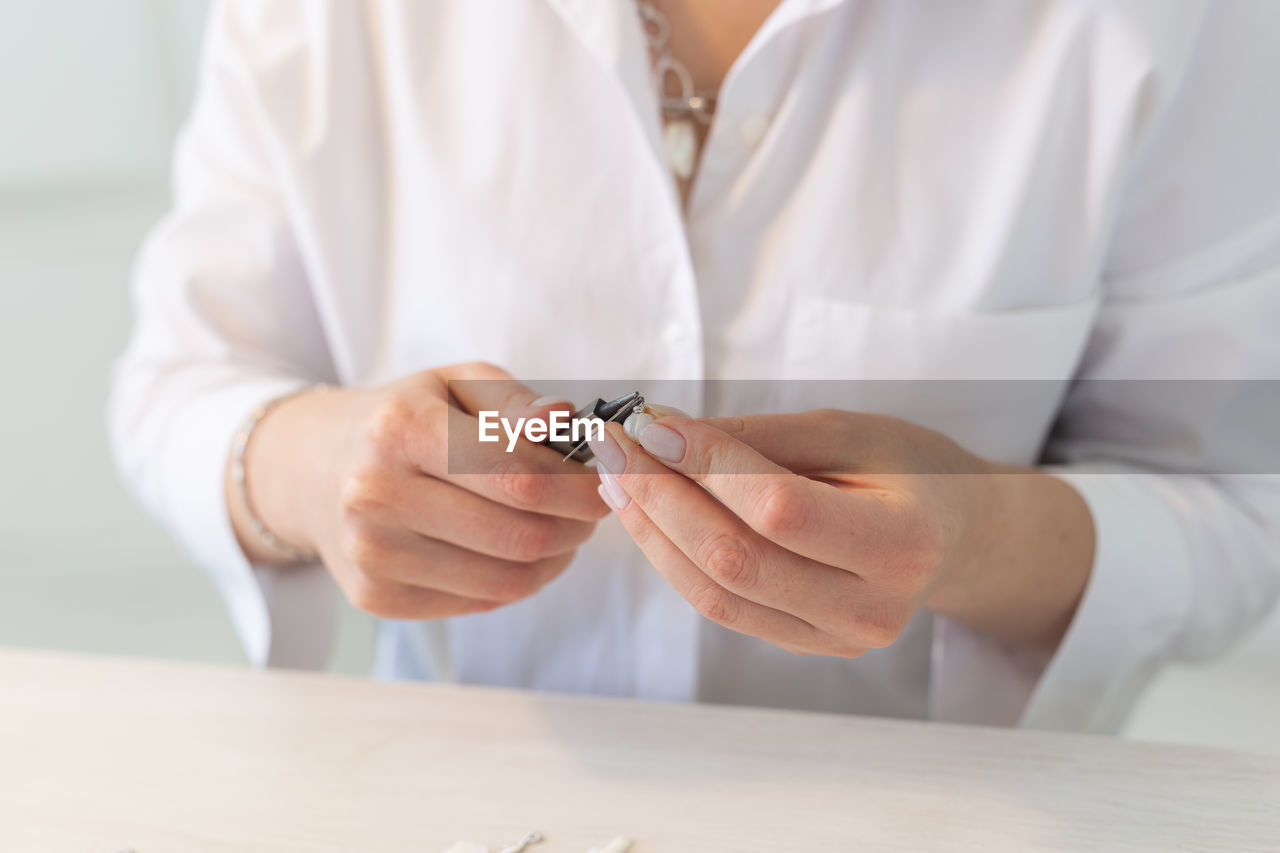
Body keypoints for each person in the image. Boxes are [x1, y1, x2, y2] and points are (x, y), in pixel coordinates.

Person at [109, 0, 1280, 732]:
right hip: (455, 797)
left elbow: (1233, 499)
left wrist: (972, 539)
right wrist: (306, 467)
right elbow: (180, 381)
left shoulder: (1177, 23)